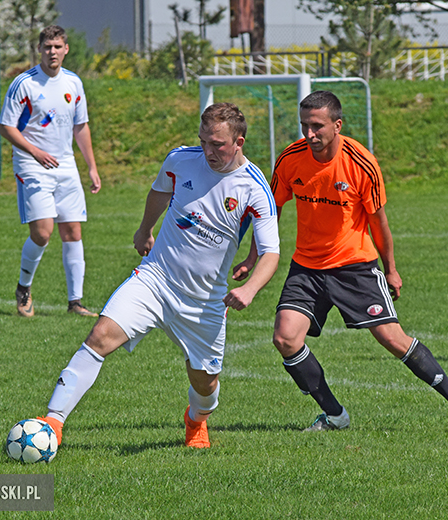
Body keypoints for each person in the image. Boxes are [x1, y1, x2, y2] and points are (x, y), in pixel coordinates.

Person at [234, 91, 448, 433]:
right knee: (285, 338)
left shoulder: (360, 162)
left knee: (393, 339)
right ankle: (335, 415)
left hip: (355, 267)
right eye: (304, 125)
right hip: (307, 267)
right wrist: (253, 257)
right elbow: (270, 210)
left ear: (337, 125)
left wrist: (392, 269)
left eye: (317, 126)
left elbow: (378, 222)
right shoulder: (290, 159)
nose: (309, 134)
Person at [37, 103, 280, 449]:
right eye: (204, 141)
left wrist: (251, 289)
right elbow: (160, 192)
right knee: (100, 336)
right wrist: (144, 229)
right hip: (155, 279)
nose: (208, 151)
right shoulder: (181, 160)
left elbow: (271, 252)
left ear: (239, 141)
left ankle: (196, 420)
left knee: (205, 383)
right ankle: (52, 424)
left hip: (204, 301)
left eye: (218, 144)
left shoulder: (255, 188)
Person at [0, 25, 102, 318]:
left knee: (72, 230)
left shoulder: (74, 83)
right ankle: (24, 288)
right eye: (47, 47)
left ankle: (76, 302)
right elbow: (6, 126)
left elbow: (80, 127)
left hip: (66, 165)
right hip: (32, 165)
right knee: (43, 233)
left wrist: (91, 167)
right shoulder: (24, 84)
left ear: (66, 49)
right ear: (39, 50)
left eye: (57, 47)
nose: (52, 52)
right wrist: (36, 152)